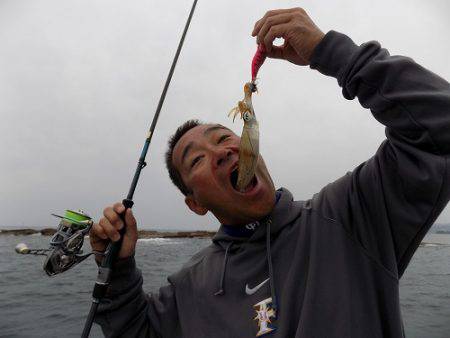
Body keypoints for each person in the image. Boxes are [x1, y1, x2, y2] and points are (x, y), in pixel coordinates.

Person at [90, 7, 450, 338]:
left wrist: (333, 54)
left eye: (223, 137)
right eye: (196, 160)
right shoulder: (189, 288)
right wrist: (118, 270)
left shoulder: (353, 214)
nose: (219, 152)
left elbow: (439, 128)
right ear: (195, 204)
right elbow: (135, 330)